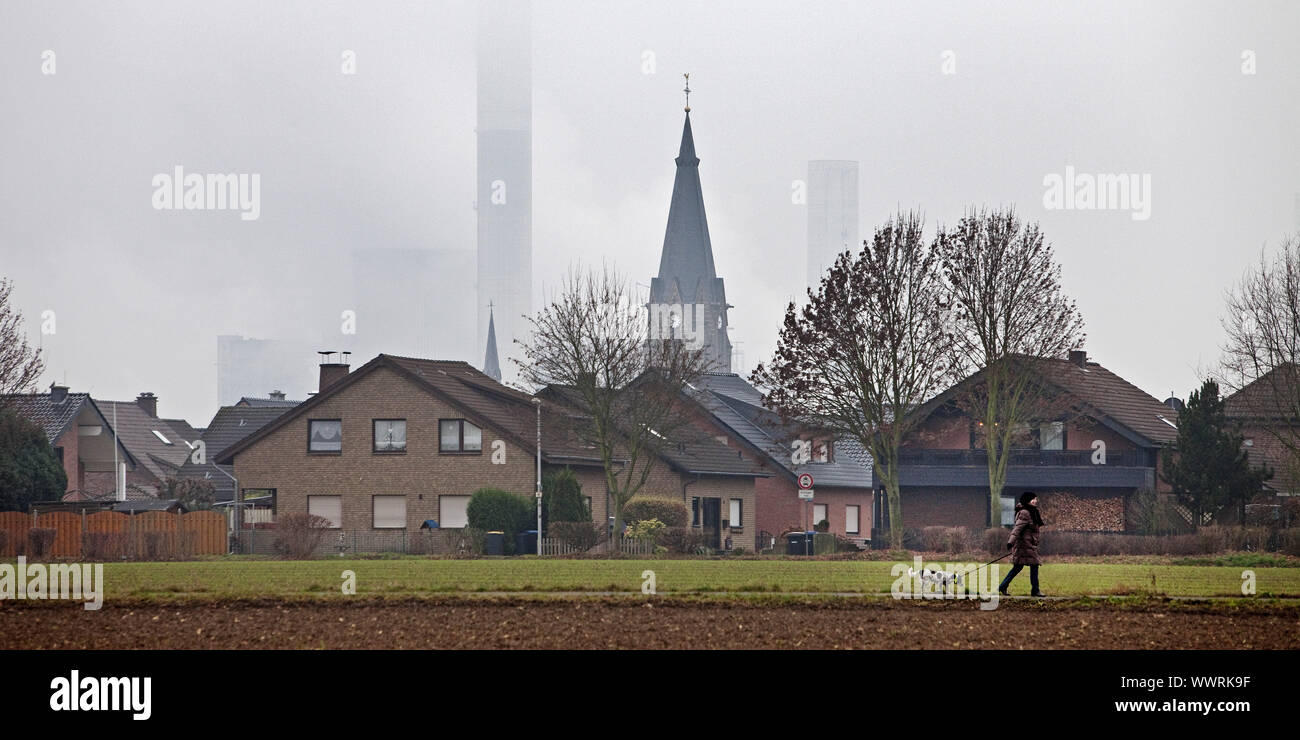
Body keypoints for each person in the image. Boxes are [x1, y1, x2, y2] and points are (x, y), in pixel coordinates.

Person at [999, 491, 1046, 597]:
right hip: (1024, 545)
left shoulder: (1032, 511)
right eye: (1033, 499)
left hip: (1028, 544)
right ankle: (1035, 590)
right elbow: (1017, 528)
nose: (1035, 501)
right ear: (1027, 500)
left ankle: (1002, 586)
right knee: (1034, 565)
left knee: (1018, 567)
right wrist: (1010, 542)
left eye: (1035, 499)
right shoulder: (1025, 512)